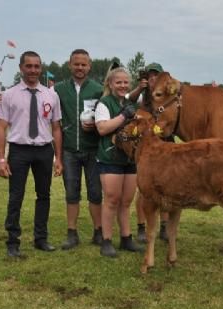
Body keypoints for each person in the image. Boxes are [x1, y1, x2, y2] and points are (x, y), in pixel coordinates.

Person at [0, 51, 63, 257]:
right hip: (19, 150)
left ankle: (40, 238)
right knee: (16, 196)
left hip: (44, 150)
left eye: (36, 66)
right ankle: (13, 242)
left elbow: (57, 128)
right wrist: (0, 159)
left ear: (41, 68)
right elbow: (0, 128)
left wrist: (58, 158)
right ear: (21, 68)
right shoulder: (9, 95)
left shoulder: (51, 95)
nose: (33, 70)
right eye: (29, 66)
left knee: (44, 195)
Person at [53, 49, 103, 250]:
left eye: (84, 64)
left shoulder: (99, 90)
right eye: (76, 64)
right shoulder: (58, 89)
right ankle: (72, 233)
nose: (80, 67)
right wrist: (2, 97)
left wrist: (97, 126)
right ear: (69, 65)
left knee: (95, 192)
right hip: (69, 150)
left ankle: (98, 232)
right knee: (71, 192)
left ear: (89, 66)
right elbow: (38, 99)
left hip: (93, 149)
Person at [95, 67, 142, 257]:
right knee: (112, 199)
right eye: (118, 82)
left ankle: (126, 238)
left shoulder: (132, 102)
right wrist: (124, 116)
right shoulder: (104, 103)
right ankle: (106, 240)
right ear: (110, 84)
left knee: (126, 201)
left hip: (130, 157)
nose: (122, 85)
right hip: (110, 156)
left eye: (125, 82)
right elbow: (102, 129)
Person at [125, 62, 169, 242]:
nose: (152, 80)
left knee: (167, 189)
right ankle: (142, 227)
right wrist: (139, 87)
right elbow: (127, 100)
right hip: (144, 151)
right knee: (142, 190)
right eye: (149, 77)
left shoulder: (167, 100)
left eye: (156, 77)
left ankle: (165, 227)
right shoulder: (141, 100)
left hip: (165, 148)